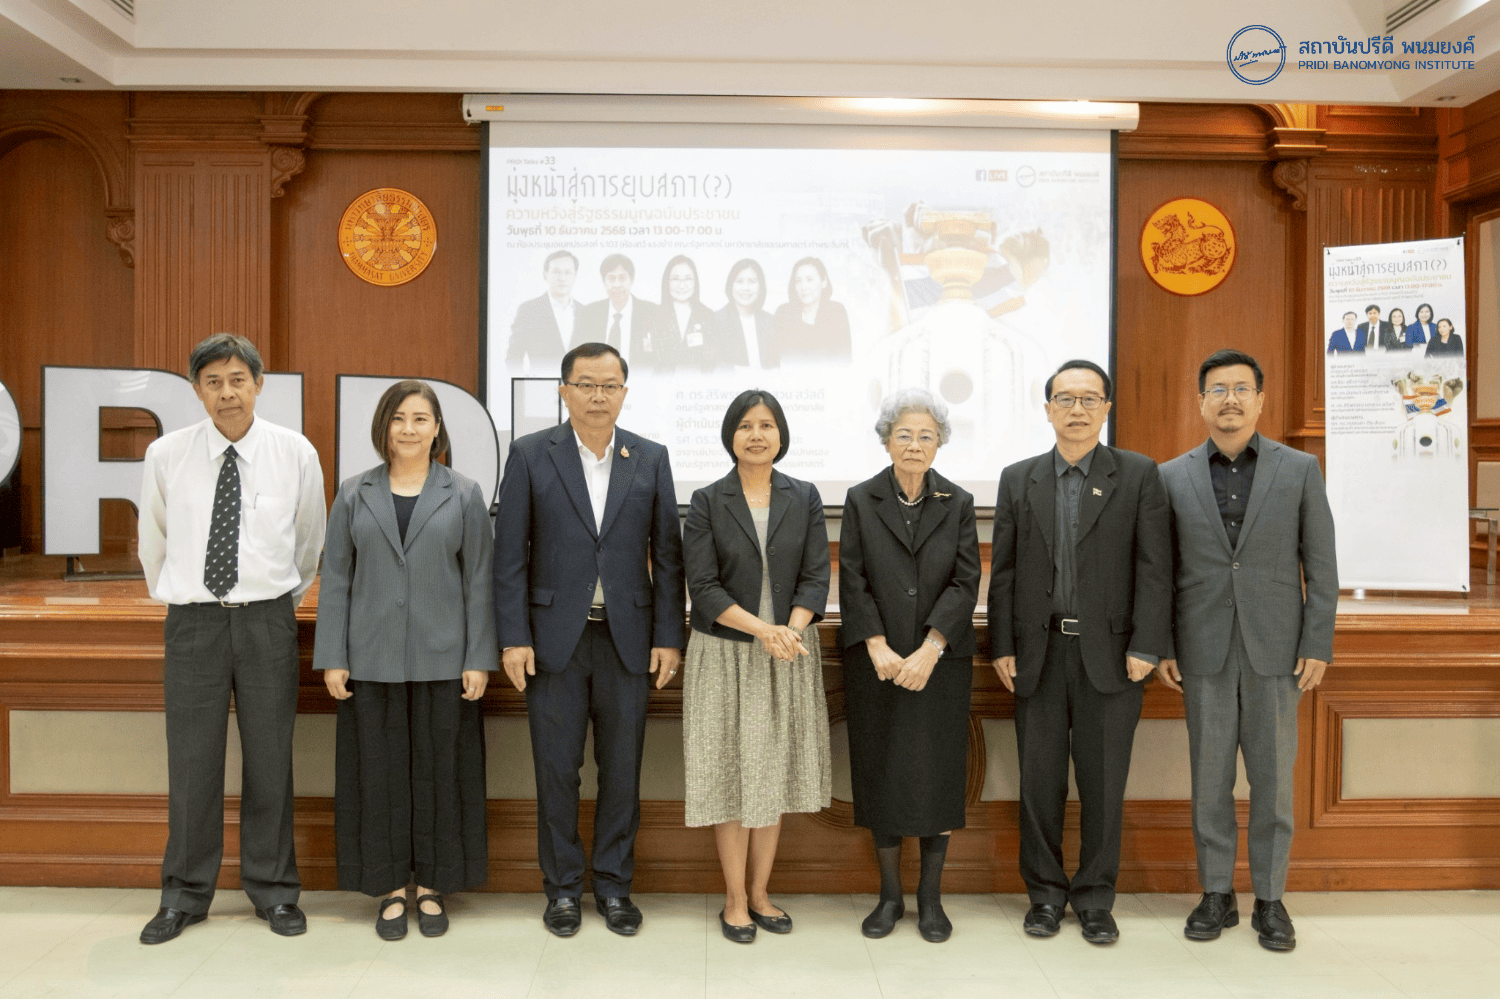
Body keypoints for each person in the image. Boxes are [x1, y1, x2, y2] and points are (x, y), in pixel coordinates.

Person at [136, 333, 326, 944]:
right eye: (213, 382)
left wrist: (270, 601)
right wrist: (190, 596)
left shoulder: (294, 453)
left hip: (267, 620)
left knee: (271, 760)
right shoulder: (166, 454)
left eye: (237, 380)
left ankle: (274, 891)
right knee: (192, 762)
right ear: (197, 389)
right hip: (194, 623)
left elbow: (308, 543)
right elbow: (154, 544)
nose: (227, 393)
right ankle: (184, 895)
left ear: (258, 384)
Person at [493, 342, 685, 938]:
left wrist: (668, 637)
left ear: (624, 392)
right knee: (557, 772)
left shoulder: (650, 457)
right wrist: (513, 637)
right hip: (554, 641)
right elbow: (509, 556)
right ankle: (562, 889)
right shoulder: (531, 454)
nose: (598, 395)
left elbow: (668, 557)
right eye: (586, 384)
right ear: (564, 391)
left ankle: (614, 887)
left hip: (629, 639)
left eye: (609, 385)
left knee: (622, 772)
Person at [1157, 349, 1337, 953]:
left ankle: (1270, 898)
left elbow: (1322, 564)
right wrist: (1164, 644)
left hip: (1278, 651)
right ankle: (1216, 894)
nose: (1229, 399)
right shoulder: (1172, 476)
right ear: (1200, 402)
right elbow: (1161, 571)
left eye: (1241, 389)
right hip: (1201, 649)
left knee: (1273, 783)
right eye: (1217, 389)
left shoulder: (1300, 469)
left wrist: (1317, 641)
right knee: (1209, 781)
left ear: (1260, 399)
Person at [987, 359, 1170, 945]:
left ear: (1106, 408)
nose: (1077, 409)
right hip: (1038, 654)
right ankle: (1043, 895)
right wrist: (1002, 645)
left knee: (1103, 785)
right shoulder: (1019, 478)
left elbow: (1155, 567)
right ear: (1047, 409)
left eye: (1090, 399)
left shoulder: (1138, 474)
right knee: (1039, 784)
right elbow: (1004, 570)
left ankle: (1095, 898)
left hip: (1113, 658)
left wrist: (1147, 643)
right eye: (1065, 398)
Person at [314, 380, 496, 940]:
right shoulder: (354, 493)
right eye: (399, 418)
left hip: (446, 661)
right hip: (370, 660)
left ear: (437, 428)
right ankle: (391, 888)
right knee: (379, 777)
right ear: (383, 428)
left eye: (421, 418)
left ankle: (435, 886)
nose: (409, 429)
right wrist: (333, 656)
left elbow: (480, 580)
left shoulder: (464, 493)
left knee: (443, 776)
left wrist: (479, 657)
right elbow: (336, 578)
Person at [682, 389, 831, 943]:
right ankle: (735, 898)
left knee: (772, 776)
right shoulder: (706, 500)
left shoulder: (804, 495)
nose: (756, 435)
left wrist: (788, 630)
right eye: (745, 425)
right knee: (730, 775)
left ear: (781, 434)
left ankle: (762, 893)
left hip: (789, 651)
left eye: (767, 425)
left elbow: (816, 575)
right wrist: (764, 630)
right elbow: (703, 587)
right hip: (726, 653)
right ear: (730, 435)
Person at [839, 389, 980, 944]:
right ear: (886, 441)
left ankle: (931, 899)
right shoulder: (860, 498)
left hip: (939, 663)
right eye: (904, 435)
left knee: (936, 776)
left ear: (940, 442)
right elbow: (852, 576)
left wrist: (931, 648)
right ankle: (890, 896)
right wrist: (876, 644)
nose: (915, 445)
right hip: (878, 662)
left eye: (926, 435)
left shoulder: (959, 501)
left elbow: (965, 581)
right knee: (882, 773)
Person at [574, 254, 672, 371]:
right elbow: (577, 358)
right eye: (611, 279)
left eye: (622, 278)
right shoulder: (589, 313)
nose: (617, 285)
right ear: (603, 282)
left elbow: (664, 359)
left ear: (632, 280)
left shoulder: (652, 312)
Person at [507, 250, 579, 371]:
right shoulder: (528, 310)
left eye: (568, 272)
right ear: (545, 275)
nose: (562, 278)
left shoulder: (585, 312)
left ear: (575, 276)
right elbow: (513, 358)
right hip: (541, 382)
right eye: (556, 272)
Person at [769, 257, 851, 364]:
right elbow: (773, 359)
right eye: (798, 281)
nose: (803, 287)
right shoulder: (783, 313)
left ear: (824, 282)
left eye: (809, 280)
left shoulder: (836, 312)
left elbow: (844, 360)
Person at [658, 254, 722, 369]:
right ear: (667, 282)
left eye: (688, 279)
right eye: (675, 279)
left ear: (695, 282)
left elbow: (712, 359)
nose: (682, 285)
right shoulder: (655, 315)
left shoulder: (708, 316)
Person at [714, 259, 775, 368]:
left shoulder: (771, 322)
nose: (746, 288)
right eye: (739, 281)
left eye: (752, 281)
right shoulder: (716, 321)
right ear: (731, 286)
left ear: (760, 286)